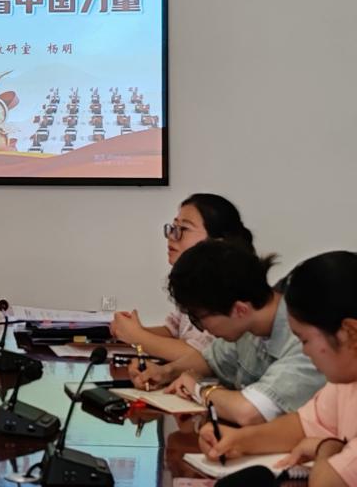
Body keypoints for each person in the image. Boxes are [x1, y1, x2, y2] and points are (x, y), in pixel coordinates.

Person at [198, 251, 357, 487]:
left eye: (305, 340)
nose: (304, 352)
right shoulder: (345, 381)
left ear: (349, 333)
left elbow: (327, 483)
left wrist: (327, 448)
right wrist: (239, 440)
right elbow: (303, 424)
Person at [131, 240, 324, 425]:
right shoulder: (249, 325)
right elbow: (211, 359)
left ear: (239, 310)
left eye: (198, 318)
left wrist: (200, 389)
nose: (203, 329)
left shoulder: (307, 339)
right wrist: (165, 372)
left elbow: (249, 412)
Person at [111, 193, 257, 361]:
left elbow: (204, 356)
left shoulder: (229, 285)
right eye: (173, 228)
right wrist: (129, 331)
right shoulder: (194, 281)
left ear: (217, 241)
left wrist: (137, 337)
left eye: (184, 229)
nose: (172, 237)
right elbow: (174, 331)